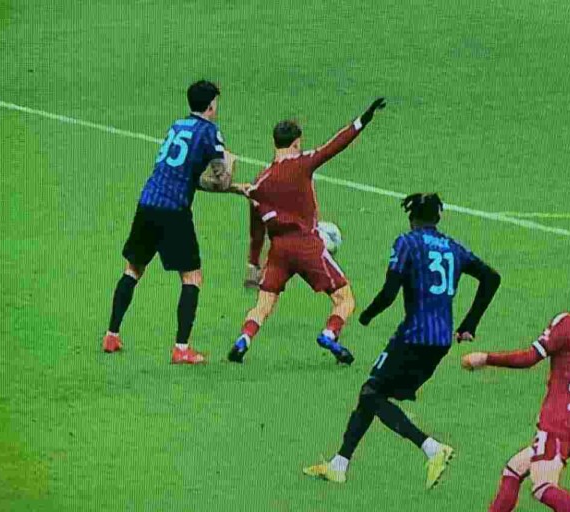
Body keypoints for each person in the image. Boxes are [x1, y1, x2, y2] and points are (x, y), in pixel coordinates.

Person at [304, 193, 501, 489]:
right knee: (372, 392)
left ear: (412, 217)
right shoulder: (453, 247)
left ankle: (432, 448)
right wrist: (469, 324)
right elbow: (491, 278)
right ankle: (339, 464)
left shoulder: (407, 242)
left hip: (413, 336)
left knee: (372, 394)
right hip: (440, 340)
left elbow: (389, 292)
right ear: (438, 217)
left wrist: (366, 315)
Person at [462, 271, 570, 512]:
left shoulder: (568, 324)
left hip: (559, 421)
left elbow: (529, 358)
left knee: (543, 486)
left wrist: (486, 358)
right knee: (515, 469)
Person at [226, 98, 387, 365]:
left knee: (263, 305)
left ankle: (244, 339)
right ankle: (329, 334)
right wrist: (363, 119)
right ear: (296, 143)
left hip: (279, 250)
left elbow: (256, 232)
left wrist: (253, 263)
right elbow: (334, 146)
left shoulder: (259, 184)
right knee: (344, 298)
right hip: (306, 245)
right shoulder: (302, 164)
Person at [102, 80, 235, 364]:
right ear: (211, 105)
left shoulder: (177, 126)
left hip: (148, 202)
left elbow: (185, 175)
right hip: (174, 209)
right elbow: (221, 181)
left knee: (133, 269)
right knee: (192, 276)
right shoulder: (209, 132)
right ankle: (181, 348)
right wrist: (230, 163)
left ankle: (111, 335)